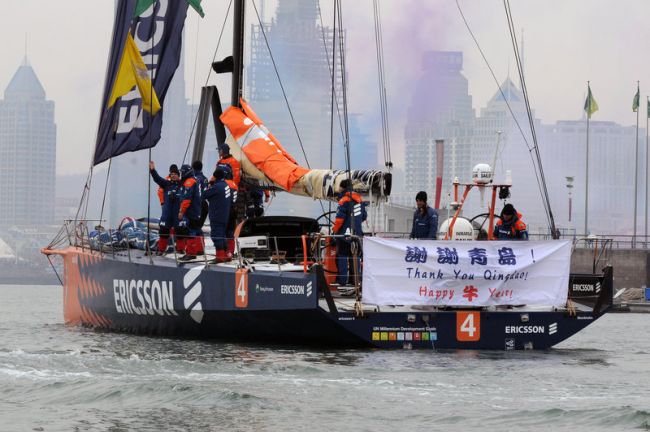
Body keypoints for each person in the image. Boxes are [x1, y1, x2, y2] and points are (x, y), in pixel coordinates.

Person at [332, 179, 367, 286]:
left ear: (342, 188)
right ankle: (355, 281)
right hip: (357, 234)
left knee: (342, 256)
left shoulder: (344, 200)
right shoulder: (360, 201)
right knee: (355, 257)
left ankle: (342, 281)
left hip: (344, 235)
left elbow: (339, 220)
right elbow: (364, 216)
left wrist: (334, 232)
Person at [149, 162, 182, 254]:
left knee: (180, 232)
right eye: (172, 174)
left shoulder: (182, 184)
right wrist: (152, 170)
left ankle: (180, 250)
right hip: (167, 213)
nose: (173, 176)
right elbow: (157, 179)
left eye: (175, 174)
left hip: (177, 213)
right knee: (163, 232)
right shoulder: (166, 184)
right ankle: (161, 250)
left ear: (178, 175)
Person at [203, 169, 232, 263]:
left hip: (216, 215)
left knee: (216, 236)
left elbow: (204, 195)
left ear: (215, 176)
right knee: (222, 235)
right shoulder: (226, 185)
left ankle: (219, 257)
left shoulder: (216, 187)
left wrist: (210, 184)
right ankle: (227, 255)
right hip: (225, 215)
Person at [177, 164, 204, 260]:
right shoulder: (196, 179)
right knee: (197, 230)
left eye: (182, 172)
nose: (181, 174)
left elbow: (187, 199)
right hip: (197, 209)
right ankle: (200, 250)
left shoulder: (189, 182)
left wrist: (181, 211)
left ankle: (191, 253)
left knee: (190, 231)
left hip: (191, 210)